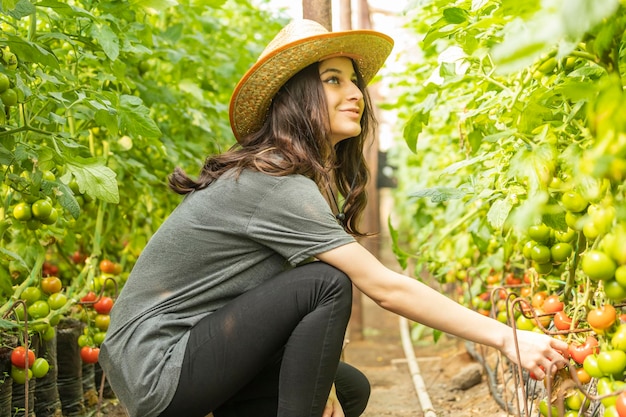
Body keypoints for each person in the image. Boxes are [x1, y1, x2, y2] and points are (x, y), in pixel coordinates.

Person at [99, 19, 569, 417]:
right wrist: (506, 338)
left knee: (348, 389)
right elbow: (385, 288)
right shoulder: (276, 186)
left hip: (177, 353)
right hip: (158, 364)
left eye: (353, 80)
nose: (355, 93)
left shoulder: (284, 177)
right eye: (333, 80)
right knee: (328, 283)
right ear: (296, 97)